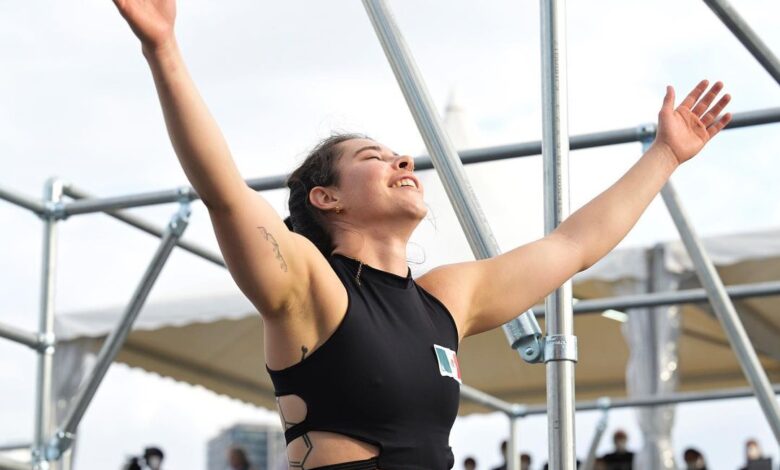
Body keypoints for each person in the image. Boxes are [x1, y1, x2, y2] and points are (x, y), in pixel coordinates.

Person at [111, 1, 732, 468]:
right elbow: (224, 192)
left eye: (399, 155)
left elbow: (572, 246)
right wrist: (163, 49)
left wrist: (665, 156)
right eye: (373, 156)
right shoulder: (308, 284)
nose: (402, 161)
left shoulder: (444, 298)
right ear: (325, 198)